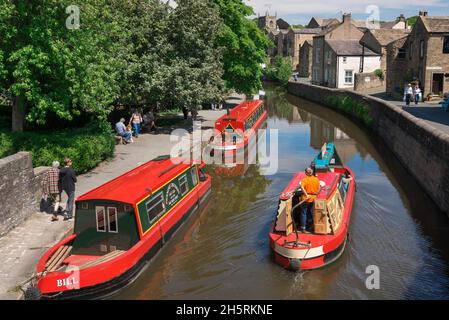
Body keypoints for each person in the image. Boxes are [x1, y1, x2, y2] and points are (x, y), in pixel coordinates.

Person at [299, 167, 321, 233]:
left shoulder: (304, 180)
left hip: (306, 199)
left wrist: (306, 194)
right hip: (313, 198)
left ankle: (303, 228)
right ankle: (310, 226)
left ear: (306, 173)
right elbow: (319, 188)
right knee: (310, 212)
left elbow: (302, 187)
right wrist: (317, 193)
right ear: (312, 172)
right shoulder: (316, 179)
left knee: (303, 213)